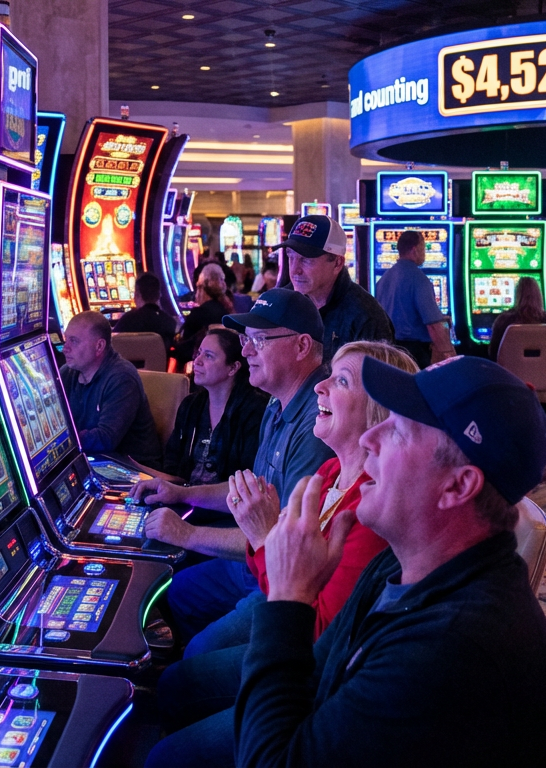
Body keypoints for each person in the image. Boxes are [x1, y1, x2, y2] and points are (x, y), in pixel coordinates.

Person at [220, 356, 546, 766]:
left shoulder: (450, 649)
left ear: (458, 486)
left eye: (399, 430)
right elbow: (319, 675)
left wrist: (287, 596)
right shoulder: (398, 565)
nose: (370, 438)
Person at [147, 343, 415, 761]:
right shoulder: (329, 472)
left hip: (312, 666)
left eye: (341, 381)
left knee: (167, 750)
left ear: (377, 413)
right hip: (287, 620)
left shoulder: (368, 512)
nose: (321, 386)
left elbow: (311, 628)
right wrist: (262, 537)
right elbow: (277, 570)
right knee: (176, 683)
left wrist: (263, 536)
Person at [136, 289, 335, 636]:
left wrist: (187, 533)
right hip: (254, 562)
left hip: (283, 579)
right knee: (178, 592)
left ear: (302, 346)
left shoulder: (316, 424)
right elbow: (251, 492)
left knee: (194, 656)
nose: (246, 351)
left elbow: (283, 541)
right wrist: (182, 493)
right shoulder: (277, 402)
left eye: (259, 340)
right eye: (246, 340)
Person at [276, 215, 394, 360]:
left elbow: (376, 373)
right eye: (291, 257)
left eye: (306, 260)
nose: (294, 270)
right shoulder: (282, 304)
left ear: (337, 263)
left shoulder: (365, 316)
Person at [162, 329, 270, 485]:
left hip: (227, 499)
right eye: (199, 353)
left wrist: (184, 493)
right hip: (182, 494)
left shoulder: (254, 410)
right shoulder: (191, 405)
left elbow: (248, 479)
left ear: (233, 368)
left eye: (208, 356)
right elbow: (172, 463)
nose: (197, 361)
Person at [60, 312, 164, 469]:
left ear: (99, 346)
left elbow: (105, 439)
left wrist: (60, 442)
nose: (65, 349)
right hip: (93, 460)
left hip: (133, 467)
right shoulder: (68, 372)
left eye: (73, 341)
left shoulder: (122, 377)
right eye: (66, 339)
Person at [374, 229, 455, 369]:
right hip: (413, 351)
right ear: (414, 249)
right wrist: (449, 354)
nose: (425, 253)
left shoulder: (384, 279)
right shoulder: (418, 279)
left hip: (388, 350)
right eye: (423, 248)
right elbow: (433, 325)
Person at [174, 264, 235, 365]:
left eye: (197, 288)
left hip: (200, 365)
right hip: (222, 365)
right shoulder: (226, 310)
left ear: (201, 288)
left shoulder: (198, 314)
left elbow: (183, 349)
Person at [488, 275, 546, 360]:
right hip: (542, 368)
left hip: (509, 368)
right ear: (539, 295)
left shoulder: (504, 320)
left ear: (516, 295)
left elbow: (493, 353)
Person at [113, 272, 177, 350]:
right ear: (159, 295)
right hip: (159, 358)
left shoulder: (128, 319)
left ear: (137, 295)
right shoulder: (170, 322)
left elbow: (112, 344)